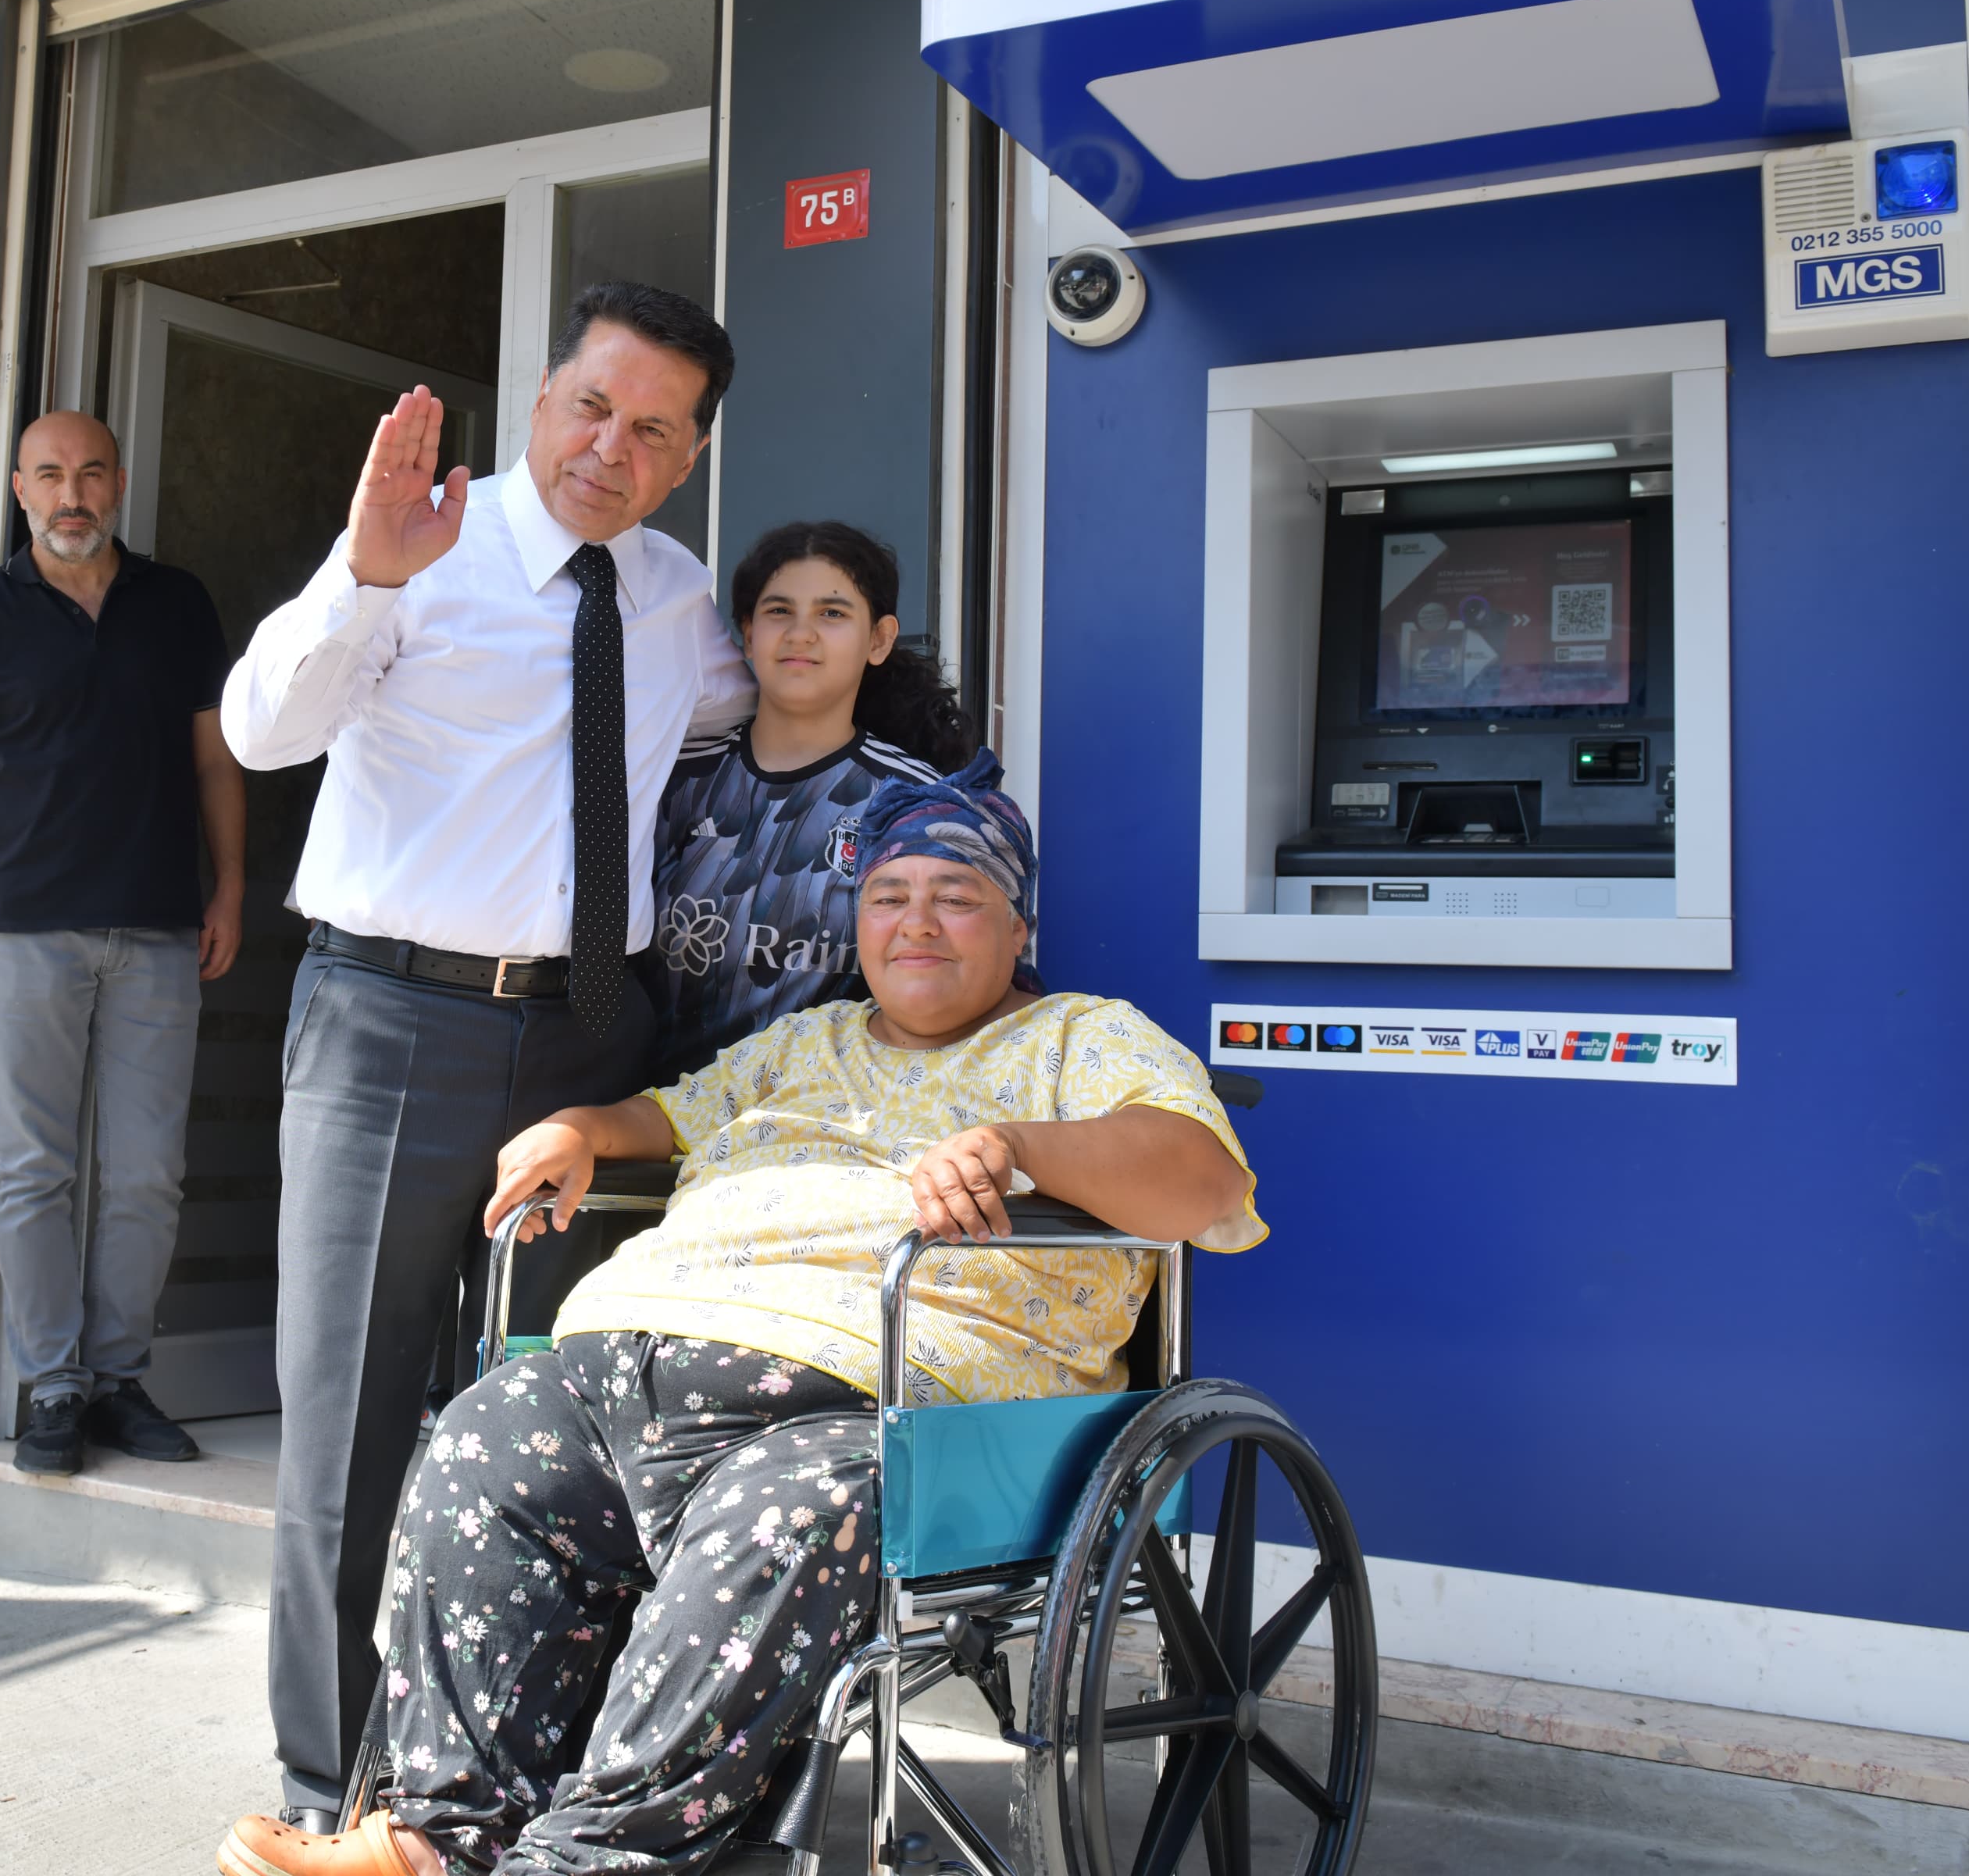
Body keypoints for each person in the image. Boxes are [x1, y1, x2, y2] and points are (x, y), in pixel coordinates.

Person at [217, 762, 1265, 1876]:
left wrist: (1020, 1147)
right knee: (483, 1438)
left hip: (862, 1402)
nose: (916, 921)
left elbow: (1206, 1181)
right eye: (888, 896)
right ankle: (437, 1837)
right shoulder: (808, 1042)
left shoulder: (1081, 1039)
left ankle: (586, 1862)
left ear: (1019, 926)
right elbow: (671, 1114)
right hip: (625, 1363)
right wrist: (585, 1128)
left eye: (956, 897)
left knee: (788, 1515)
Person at [222, 282, 758, 1825]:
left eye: (653, 428)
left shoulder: (674, 595)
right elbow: (262, 729)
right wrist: (361, 572)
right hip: (395, 1022)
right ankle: (332, 1792)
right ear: (540, 397)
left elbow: (755, 711)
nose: (611, 446)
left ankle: (523, 1760)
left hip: (594, 1036)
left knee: (573, 1410)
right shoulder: (419, 551)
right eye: (592, 405)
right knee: (352, 1414)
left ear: (689, 455)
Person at [0, 412, 246, 1475]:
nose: (72, 494)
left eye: (91, 473)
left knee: (147, 1173)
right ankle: (53, 1384)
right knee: (34, 1170)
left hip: (159, 927)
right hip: (20, 931)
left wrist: (232, 886)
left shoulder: (177, 604)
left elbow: (216, 761)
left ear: (119, 482)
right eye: (50, 474)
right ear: (19, 488)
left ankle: (117, 1379)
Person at [646, 519, 975, 1082]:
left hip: (827, 1116)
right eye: (779, 611)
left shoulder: (919, 803)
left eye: (832, 613)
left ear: (879, 640)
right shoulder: (672, 779)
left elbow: (958, 982)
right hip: (649, 1110)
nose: (801, 634)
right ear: (747, 634)